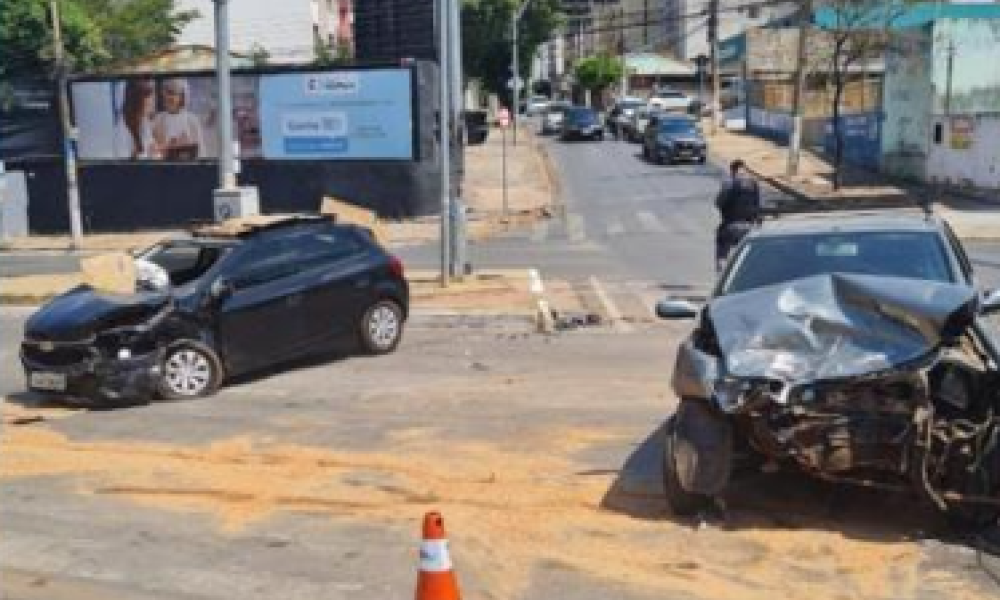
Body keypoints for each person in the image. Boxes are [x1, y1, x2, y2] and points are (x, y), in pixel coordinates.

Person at [715, 159, 762, 272]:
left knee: (722, 245)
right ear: (745, 170)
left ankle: (722, 276)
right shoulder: (754, 184)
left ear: (732, 171)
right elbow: (758, 205)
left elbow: (719, 203)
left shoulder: (729, 183)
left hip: (731, 225)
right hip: (751, 228)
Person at [152, 78, 203, 160]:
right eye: (167, 92)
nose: (169, 97)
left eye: (173, 93)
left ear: (182, 97)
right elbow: (152, 151)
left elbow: (200, 153)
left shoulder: (192, 120)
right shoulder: (158, 119)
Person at [117, 79, 159, 159]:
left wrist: (154, 151)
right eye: (149, 97)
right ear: (137, 100)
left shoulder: (144, 120)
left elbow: (152, 149)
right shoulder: (121, 131)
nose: (153, 102)